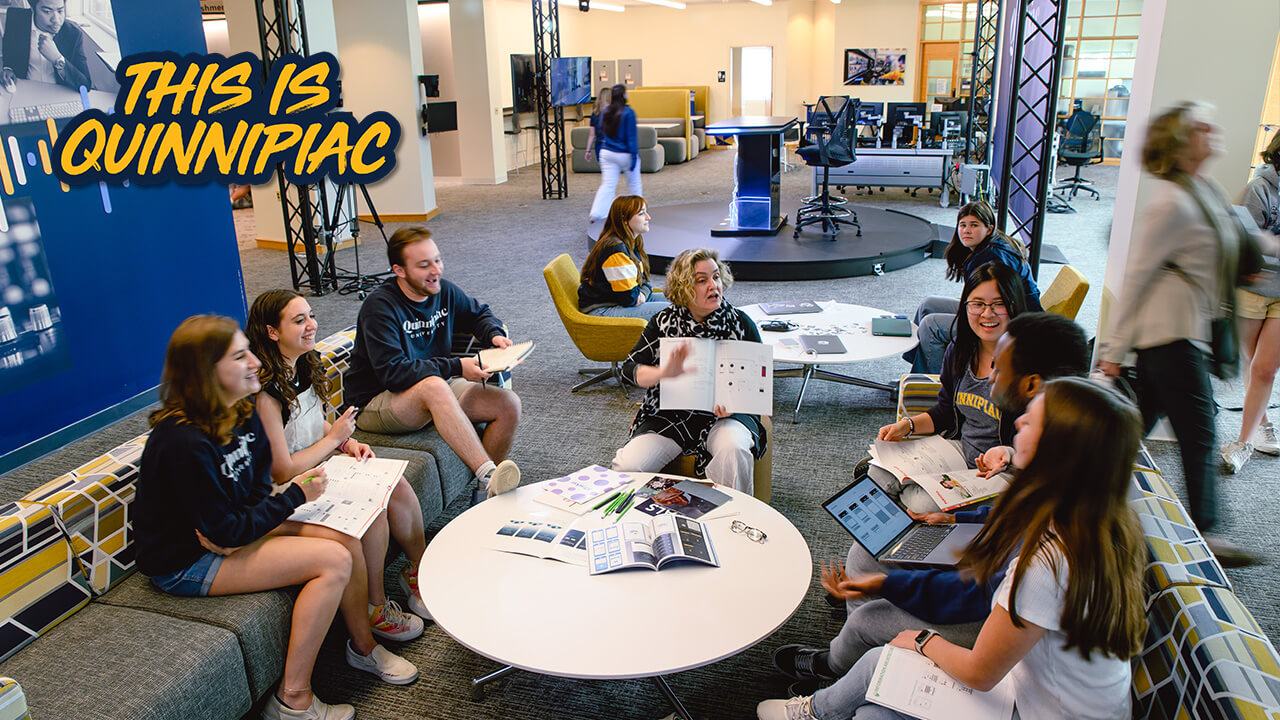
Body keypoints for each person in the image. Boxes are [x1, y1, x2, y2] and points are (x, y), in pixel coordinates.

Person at [760, 377, 1147, 720]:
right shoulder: (1097, 518)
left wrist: (922, 641)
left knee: (884, 670)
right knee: (872, 704)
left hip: (1027, 703)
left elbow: (981, 672)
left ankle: (815, 712)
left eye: (1033, 420)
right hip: (1038, 691)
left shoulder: (1047, 564)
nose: (1019, 421)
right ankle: (819, 709)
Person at [770, 312, 1091, 691]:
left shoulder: (1053, 520)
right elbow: (1009, 520)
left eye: (1000, 367)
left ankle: (842, 664)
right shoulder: (1058, 450)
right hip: (984, 557)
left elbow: (971, 594)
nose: (990, 377)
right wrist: (959, 522)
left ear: (1033, 385)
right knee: (868, 553)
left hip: (985, 611)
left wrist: (889, 588)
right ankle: (858, 647)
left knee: (870, 616)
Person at [134, 316, 418, 720]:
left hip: (230, 528)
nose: (254, 362)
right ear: (206, 372)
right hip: (184, 561)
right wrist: (294, 498)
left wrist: (248, 526)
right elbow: (225, 530)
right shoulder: (181, 440)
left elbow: (250, 495)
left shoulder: (241, 410)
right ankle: (293, 700)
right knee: (334, 560)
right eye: (239, 356)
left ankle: (364, 649)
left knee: (346, 536)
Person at [1099, 102, 1266, 566]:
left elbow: (1235, 246)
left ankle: (1084, 501)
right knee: (1200, 433)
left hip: (1182, 331)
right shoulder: (1172, 201)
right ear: (1179, 142)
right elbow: (1137, 277)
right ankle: (1209, 533)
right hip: (1168, 334)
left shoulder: (1202, 189)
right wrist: (1112, 351)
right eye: (1200, 127)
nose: (1212, 129)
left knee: (1133, 431)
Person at [247, 289, 433, 631]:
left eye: (311, 316)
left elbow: (314, 422)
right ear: (272, 332)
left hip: (317, 467)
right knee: (371, 512)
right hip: (288, 488)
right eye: (299, 320)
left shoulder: (304, 363)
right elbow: (282, 468)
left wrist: (346, 442)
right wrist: (334, 440)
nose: (311, 325)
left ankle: (418, 572)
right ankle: (375, 607)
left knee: (399, 486)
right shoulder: (265, 394)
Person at [344, 226, 523, 504]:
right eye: (424, 265)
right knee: (435, 386)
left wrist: (494, 334)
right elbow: (395, 374)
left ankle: (483, 498)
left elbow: (479, 314)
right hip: (375, 402)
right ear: (399, 270)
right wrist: (457, 367)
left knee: (508, 404)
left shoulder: (442, 291)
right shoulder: (379, 307)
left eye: (437, 260)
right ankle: (490, 475)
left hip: (429, 387)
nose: (435, 270)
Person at [875, 262, 1028, 513]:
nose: (987, 314)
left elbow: (1042, 442)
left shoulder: (1029, 366)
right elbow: (946, 411)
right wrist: (908, 425)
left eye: (998, 304)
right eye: (977, 304)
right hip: (958, 448)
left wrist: (1009, 453)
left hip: (1001, 469)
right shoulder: (960, 349)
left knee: (920, 503)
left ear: (1014, 306)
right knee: (878, 474)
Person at [613, 247, 767, 495]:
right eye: (701, 280)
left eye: (716, 277)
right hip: (670, 416)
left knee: (734, 449)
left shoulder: (740, 322)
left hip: (725, 416)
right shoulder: (663, 322)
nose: (713, 286)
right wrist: (662, 373)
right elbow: (629, 370)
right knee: (628, 465)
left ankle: (736, 520)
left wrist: (736, 403)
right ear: (684, 287)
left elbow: (760, 381)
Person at [905, 201, 1042, 373]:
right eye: (962, 225)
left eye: (974, 225)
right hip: (996, 311)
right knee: (929, 304)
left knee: (931, 325)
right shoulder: (989, 246)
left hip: (1009, 323)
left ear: (989, 228)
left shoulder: (991, 257)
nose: (966, 230)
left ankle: (930, 385)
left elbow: (993, 307)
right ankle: (916, 371)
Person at [1222, 129, 1280, 472]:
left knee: (1265, 367)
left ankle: (1244, 441)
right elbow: (1245, 241)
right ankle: (1259, 421)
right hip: (1255, 289)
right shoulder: (1260, 188)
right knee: (1246, 362)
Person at [578, 195, 668, 319]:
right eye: (641, 214)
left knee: (684, 302)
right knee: (675, 312)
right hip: (602, 309)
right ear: (625, 219)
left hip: (618, 301)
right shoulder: (615, 250)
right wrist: (643, 291)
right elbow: (630, 298)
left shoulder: (630, 241)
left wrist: (643, 291)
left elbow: (641, 283)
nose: (648, 217)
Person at [0, 0, 93, 92]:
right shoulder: (15, 19)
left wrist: (58, 59)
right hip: (23, 90)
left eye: (60, 11)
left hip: (57, 95)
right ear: (32, 9)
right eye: (47, 12)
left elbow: (85, 85)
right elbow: (9, 54)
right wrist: (8, 69)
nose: (56, 20)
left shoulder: (73, 33)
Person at [588, 83, 640, 223]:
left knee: (608, 185)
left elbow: (602, 132)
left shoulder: (605, 111)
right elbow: (631, 138)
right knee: (634, 184)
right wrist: (634, 158)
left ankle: (597, 213)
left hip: (607, 153)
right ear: (624, 96)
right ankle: (639, 212)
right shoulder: (629, 113)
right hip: (624, 154)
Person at [583, 86, 611, 166]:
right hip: (612, 147)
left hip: (600, 147)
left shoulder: (595, 113)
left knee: (606, 171)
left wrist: (588, 151)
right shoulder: (615, 113)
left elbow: (592, 135)